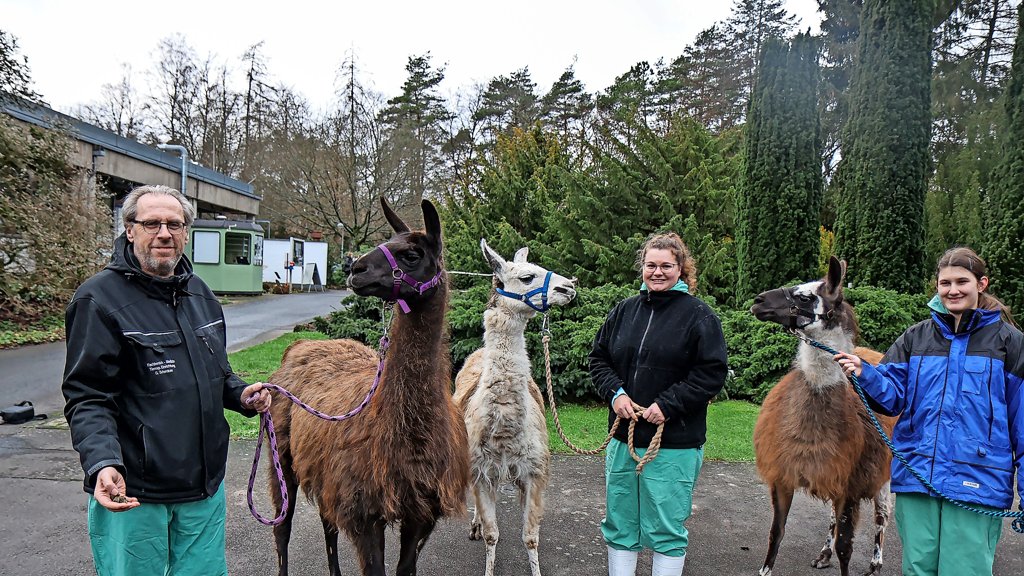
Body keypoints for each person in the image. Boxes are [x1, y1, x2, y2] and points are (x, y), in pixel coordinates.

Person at [62, 184, 272, 576]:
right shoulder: (98, 300)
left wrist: (240, 393)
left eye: (174, 224)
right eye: (152, 223)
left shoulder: (200, 293)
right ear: (129, 229)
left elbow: (216, 371)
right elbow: (87, 396)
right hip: (136, 490)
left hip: (202, 488)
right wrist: (102, 462)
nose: (164, 233)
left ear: (186, 232)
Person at [835, 246, 1023, 576]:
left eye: (961, 282)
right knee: (918, 568)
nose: (953, 290)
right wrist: (867, 374)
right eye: (944, 283)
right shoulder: (915, 338)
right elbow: (893, 397)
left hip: (977, 482)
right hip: (918, 477)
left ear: (981, 284)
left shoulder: (1010, 343)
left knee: (964, 570)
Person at [589, 232, 728, 576]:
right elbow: (599, 359)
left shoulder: (699, 316)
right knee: (620, 521)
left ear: (681, 269)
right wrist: (616, 394)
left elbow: (711, 372)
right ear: (642, 268)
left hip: (673, 444)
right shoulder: (624, 311)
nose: (657, 272)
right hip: (623, 439)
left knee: (666, 527)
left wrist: (668, 404)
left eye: (666, 265)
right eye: (651, 265)